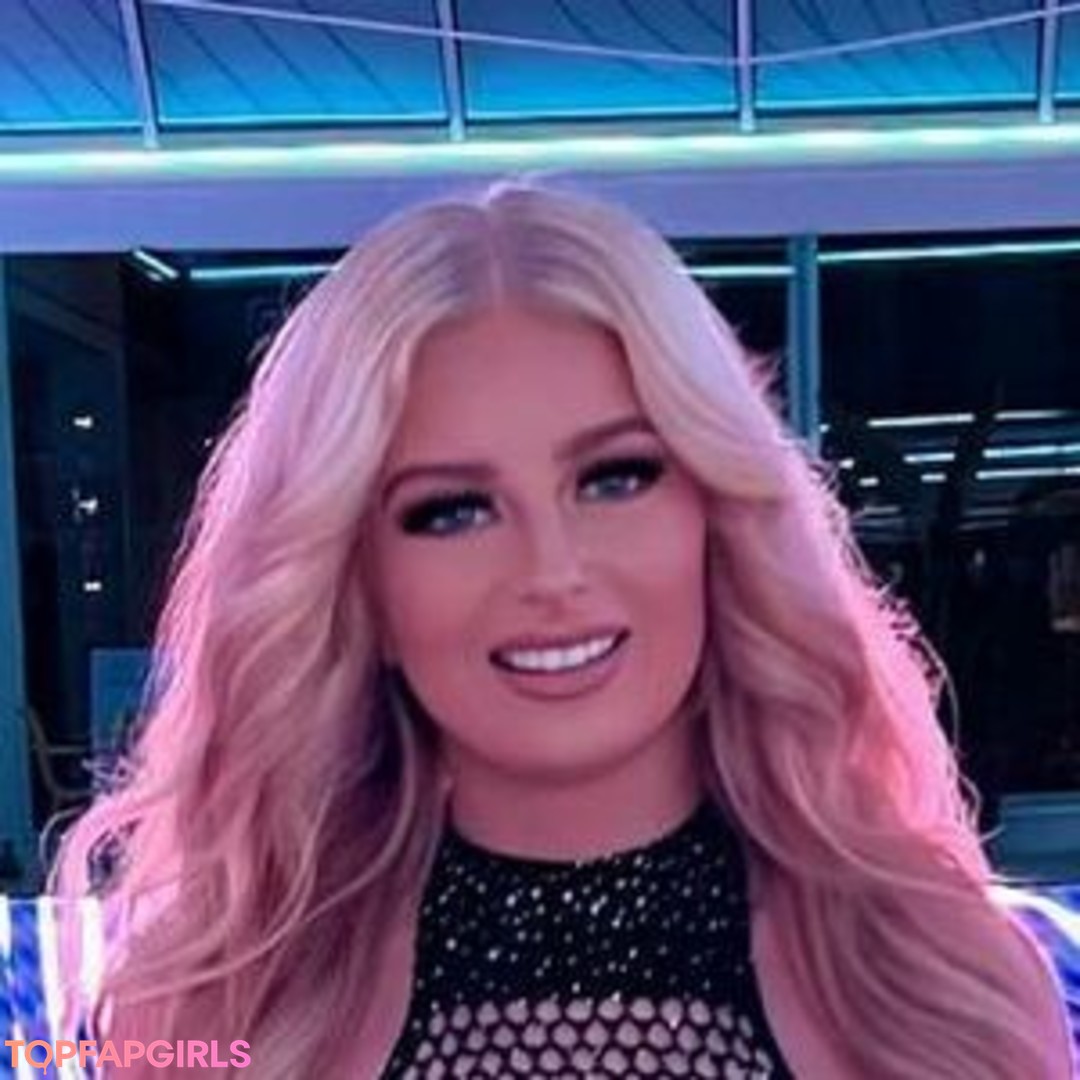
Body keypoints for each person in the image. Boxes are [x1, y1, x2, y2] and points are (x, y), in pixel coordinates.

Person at [48, 181, 1074, 1078]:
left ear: (716, 515)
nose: (551, 571)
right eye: (453, 510)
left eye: (614, 478)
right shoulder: (210, 1013)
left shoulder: (946, 991)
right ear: (359, 585)